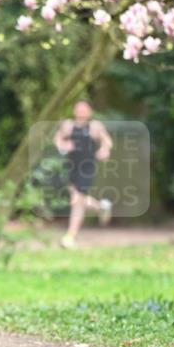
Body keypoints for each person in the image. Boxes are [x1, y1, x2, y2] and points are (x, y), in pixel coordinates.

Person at [53, 99, 113, 249]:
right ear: (74, 111)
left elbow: (107, 141)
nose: (81, 111)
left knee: (77, 201)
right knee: (78, 199)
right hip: (71, 167)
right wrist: (63, 145)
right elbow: (58, 139)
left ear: (89, 112)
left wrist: (104, 150)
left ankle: (70, 236)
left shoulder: (95, 126)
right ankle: (101, 207)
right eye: (78, 109)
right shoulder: (68, 126)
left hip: (87, 168)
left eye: (84, 109)